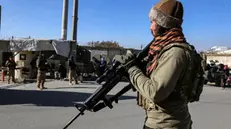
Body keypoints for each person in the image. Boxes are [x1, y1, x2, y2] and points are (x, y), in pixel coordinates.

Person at [114, 0, 202, 128]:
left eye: (152, 22)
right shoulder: (163, 49)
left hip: (166, 125)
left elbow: (155, 92)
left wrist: (132, 68)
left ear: (162, 23)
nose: (150, 27)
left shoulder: (174, 52)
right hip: (160, 122)